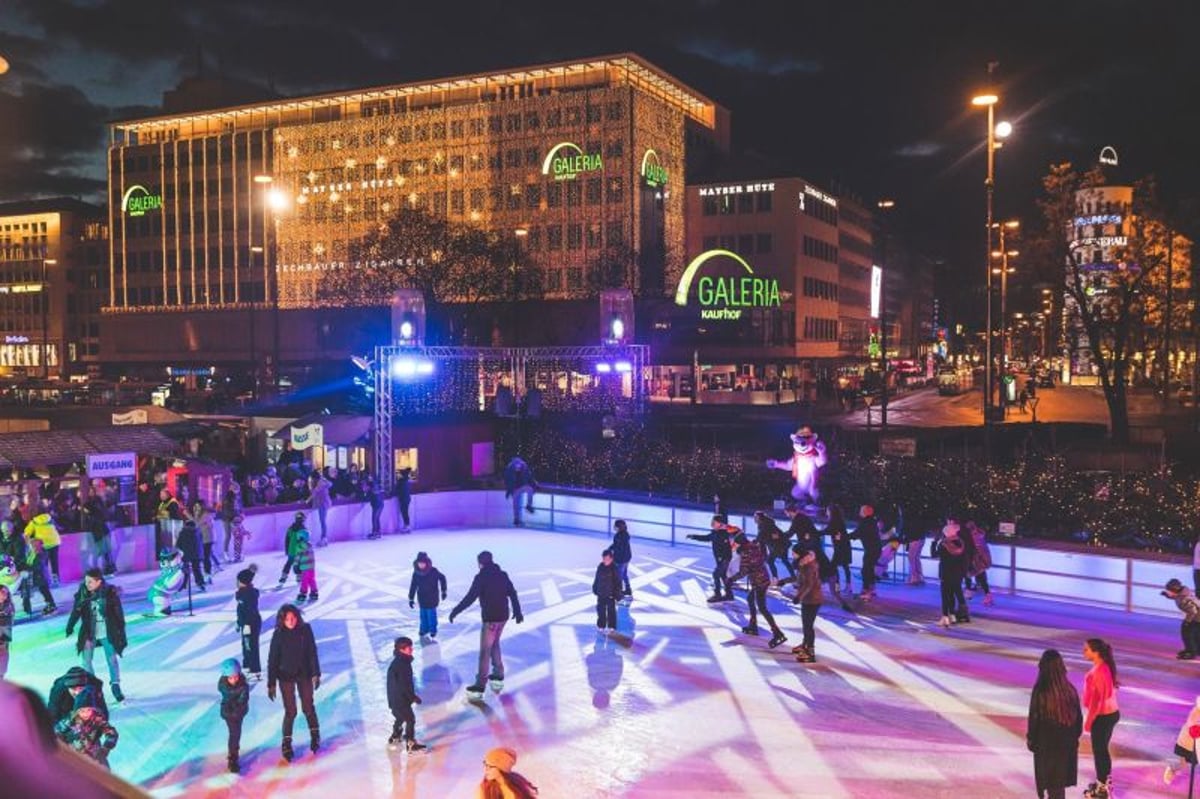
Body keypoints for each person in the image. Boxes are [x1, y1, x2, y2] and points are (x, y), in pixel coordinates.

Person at [448, 550, 524, 695]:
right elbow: (512, 593)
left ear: (480, 563)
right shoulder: (502, 574)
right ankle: (498, 673)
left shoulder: (481, 577)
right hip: (503, 616)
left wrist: (456, 611)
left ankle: (480, 684)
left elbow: (470, 597)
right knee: (494, 644)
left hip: (491, 618)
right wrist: (518, 611)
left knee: (485, 650)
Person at [267, 603, 321, 762]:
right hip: (285, 676)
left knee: (308, 707)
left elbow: (312, 652)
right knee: (290, 711)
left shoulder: (305, 630)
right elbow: (272, 659)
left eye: (293, 618)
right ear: (282, 620)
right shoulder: (278, 634)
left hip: (304, 674)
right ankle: (286, 743)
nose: (291, 621)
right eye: (287, 619)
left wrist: (316, 673)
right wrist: (271, 683)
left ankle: (315, 735)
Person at [1027, 649, 1083, 799]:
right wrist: (1073, 739)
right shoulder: (1070, 689)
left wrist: (1031, 739)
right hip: (1066, 744)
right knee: (1057, 786)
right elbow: (1078, 720)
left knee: (1053, 786)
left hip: (1047, 745)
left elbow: (1034, 717)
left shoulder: (1041, 691)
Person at [65, 568, 127, 703]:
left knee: (111, 659)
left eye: (90, 582)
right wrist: (70, 625)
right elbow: (76, 611)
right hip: (89, 631)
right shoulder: (82, 594)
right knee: (86, 660)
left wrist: (121, 632)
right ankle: (92, 685)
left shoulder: (110, 593)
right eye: (86, 581)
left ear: (99, 582)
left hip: (107, 631)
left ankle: (115, 684)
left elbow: (118, 614)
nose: (87, 584)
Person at [728, 533, 787, 649]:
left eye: (736, 543)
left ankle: (778, 633)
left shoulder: (746, 552)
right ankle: (753, 625)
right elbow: (761, 558)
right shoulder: (754, 546)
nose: (735, 545)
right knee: (750, 599)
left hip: (758, 582)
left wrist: (731, 579)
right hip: (763, 578)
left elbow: (743, 571)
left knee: (762, 608)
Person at [1082, 638, 1120, 798]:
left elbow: (1097, 700)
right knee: (1102, 750)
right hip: (1111, 714)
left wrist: (1089, 721)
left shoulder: (1098, 672)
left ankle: (1102, 789)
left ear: (1096, 652)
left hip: (1103, 717)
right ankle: (1102, 782)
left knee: (1100, 752)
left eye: (1086, 649)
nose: (1084, 652)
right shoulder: (1104, 666)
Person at [3, 521, 55, 617]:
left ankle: (51, 604)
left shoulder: (41, 554)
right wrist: (19, 565)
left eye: (33, 545)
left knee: (44, 590)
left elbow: (37, 565)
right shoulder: (32, 553)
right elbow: (27, 561)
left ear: (38, 546)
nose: (31, 547)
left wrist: (26, 568)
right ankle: (28, 607)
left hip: (41, 577)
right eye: (31, 545)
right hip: (34, 577)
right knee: (28, 590)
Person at [386, 636, 427, 753]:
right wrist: (413, 697)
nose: (411, 649)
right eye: (409, 647)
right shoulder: (403, 664)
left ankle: (395, 735)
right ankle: (411, 744)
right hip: (400, 699)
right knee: (410, 719)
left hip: (395, 699)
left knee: (400, 717)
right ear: (401, 649)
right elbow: (404, 685)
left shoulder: (399, 661)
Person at [687, 515, 735, 603]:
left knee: (716, 575)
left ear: (719, 523)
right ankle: (729, 594)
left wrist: (722, 558)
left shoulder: (723, 533)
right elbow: (706, 538)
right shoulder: (715, 533)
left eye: (714, 522)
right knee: (723, 575)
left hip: (724, 559)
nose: (712, 523)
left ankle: (717, 594)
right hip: (720, 559)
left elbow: (727, 548)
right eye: (712, 521)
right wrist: (693, 536)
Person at [788, 544, 823, 663]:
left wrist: (798, 597)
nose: (792, 555)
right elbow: (800, 580)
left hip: (812, 599)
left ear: (800, 554)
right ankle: (805, 645)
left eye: (794, 553)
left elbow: (809, 585)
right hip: (808, 598)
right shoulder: (804, 564)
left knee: (808, 626)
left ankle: (810, 652)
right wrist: (783, 581)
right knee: (806, 624)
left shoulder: (808, 567)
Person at [54, 705, 118, 770]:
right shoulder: (70, 720)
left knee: (103, 769)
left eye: (89, 710)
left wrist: (106, 747)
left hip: (93, 753)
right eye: (82, 711)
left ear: (93, 709)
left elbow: (112, 733)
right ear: (77, 711)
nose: (86, 714)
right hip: (74, 755)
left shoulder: (97, 719)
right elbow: (56, 732)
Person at [934, 519, 969, 627]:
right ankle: (952, 615)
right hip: (957, 574)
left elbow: (934, 555)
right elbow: (964, 560)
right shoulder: (961, 543)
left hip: (946, 573)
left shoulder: (944, 545)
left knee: (945, 595)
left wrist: (934, 542)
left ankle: (945, 617)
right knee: (952, 594)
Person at [218, 657, 251, 773]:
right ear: (226, 677)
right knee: (234, 734)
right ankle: (233, 758)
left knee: (236, 733)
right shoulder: (223, 685)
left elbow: (243, 700)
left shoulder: (243, 686)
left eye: (236, 676)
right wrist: (229, 710)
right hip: (228, 713)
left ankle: (233, 756)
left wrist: (237, 710)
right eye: (231, 678)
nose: (234, 680)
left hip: (239, 712)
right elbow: (225, 695)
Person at [408, 552, 447, 642]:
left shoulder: (433, 571)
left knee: (431, 615)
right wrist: (411, 598)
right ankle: (423, 629)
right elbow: (413, 585)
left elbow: (442, 578)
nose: (421, 565)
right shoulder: (416, 573)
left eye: (423, 563)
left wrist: (443, 591)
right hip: (422, 598)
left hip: (432, 598)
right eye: (419, 563)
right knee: (423, 616)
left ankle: (433, 630)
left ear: (426, 563)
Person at [1163, 696, 1200, 786]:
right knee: (1182, 762)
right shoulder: (1197, 711)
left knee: (1185, 761)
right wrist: (1193, 727)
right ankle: (1171, 769)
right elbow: (1192, 720)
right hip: (1189, 741)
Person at [1162, 578, 1200, 659]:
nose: (1170, 591)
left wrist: (1187, 622)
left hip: (1197, 617)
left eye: (1170, 589)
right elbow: (1177, 597)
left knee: (1187, 633)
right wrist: (1168, 596)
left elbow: (1193, 611)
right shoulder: (1183, 593)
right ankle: (1194, 650)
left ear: (1175, 588)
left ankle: (1191, 652)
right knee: (1194, 633)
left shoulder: (1184, 598)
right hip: (1196, 617)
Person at [237, 566, 263, 678]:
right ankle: (247, 665)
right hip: (246, 623)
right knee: (246, 645)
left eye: (239, 581)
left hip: (251, 624)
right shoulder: (243, 593)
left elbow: (249, 611)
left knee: (251, 646)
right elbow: (241, 611)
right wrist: (239, 623)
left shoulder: (248, 594)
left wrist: (246, 624)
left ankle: (254, 669)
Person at [25, 509, 61, 587]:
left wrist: (29, 544)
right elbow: (58, 528)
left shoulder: (33, 522)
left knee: (43, 564)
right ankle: (56, 581)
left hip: (43, 544)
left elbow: (26, 534)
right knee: (54, 562)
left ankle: (45, 581)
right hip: (55, 542)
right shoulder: (50, 519)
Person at [852, 505, 882, 600]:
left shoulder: (865, 522)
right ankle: (872, 590)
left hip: (871, 549)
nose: (859, 512)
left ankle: (866, 591)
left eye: (861, 510)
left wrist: (843, 537)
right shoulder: (872, 521)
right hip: (876, 549)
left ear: (865, 512)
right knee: (869, 569)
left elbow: (857, 534)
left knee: (866, 570)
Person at [763, 509, 796, 583]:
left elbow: (775, 539)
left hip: (779, 547)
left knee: (771, 561)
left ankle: (776, 578)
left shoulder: (770, 528)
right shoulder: (769, 527)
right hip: (780, 546)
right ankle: (792, 576)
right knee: (783, 560)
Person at [592, 548, 620, 635]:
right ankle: (601, 625)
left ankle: (612, 626)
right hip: (601, 593)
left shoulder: (614, 568)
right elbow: (597, 578)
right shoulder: (600, 566)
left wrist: (617, 594)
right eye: (604, 558)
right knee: (601, 610)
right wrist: (595, 587)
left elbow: (618, 582)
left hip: (610, 594)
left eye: (607, 559)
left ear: (611, 559)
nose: (605, 561)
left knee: (611, 610)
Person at [503, 457, 537, 526]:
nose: (518, 466)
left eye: (519, 465)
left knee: (529, 489)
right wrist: (508, 491)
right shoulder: (509, 470)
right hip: (514, 489)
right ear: (513, 465)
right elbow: (508, 481)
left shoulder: (525, 469)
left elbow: (530, 477)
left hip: (522, 487)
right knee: (515, 503)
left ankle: (529, 505)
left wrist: (535, 484)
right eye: (516, 465)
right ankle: (516, 519)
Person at [827, 504, 853, 595]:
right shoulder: (839, 521)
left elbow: (828, 531)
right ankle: (846, 587)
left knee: (833, 566)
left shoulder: (834, 521)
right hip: (843, 546)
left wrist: (816, 533)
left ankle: (837, 586)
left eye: (828, 511)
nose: (826, 513)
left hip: (840, 547)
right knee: (844, 566)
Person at [176, 519, 206, 593]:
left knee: (186, 570)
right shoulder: (198, 532)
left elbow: (178, 544)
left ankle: (184, 584)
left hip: (186, 554)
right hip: (197, 554)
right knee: (197, 569)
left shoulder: (183, 533)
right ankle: (201, 584)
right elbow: (201, 542)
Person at [278, 512, 305, 588]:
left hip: (291, 550)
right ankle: (299, 577)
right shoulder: (303, 529)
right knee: (298, 564)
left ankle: (284, 577)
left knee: (289, 563)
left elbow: (287, 540)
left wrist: (286, 549)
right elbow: (304, 541)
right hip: (299, 551)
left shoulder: (290, 528)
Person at [293, 523, 318, 603]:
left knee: (304, 580)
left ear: (301, 537)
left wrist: (295, 565)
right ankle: (314, 592)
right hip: (311, 567)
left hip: (304, 567)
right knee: (311, 579)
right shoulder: (309, 545)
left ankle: (303, 593)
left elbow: (298, 556)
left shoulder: (299, 546)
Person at [193, 502, 220, 579]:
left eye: (197, 508)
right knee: (206, 555)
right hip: (203, 539)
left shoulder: (206, 516)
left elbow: (206, 525)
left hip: (207, 539)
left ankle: (208, 573)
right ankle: (210, 571)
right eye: (195, 508)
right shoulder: (200, 516)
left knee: (206, 556)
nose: (196, 510)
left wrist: (203, 526)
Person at [307, 472, 332, 547]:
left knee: (322, 521)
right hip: (322, 503)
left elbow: (314, 493)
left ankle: (324, 538)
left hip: (323, 504)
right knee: (322, 521)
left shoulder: (321, 483)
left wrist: (307, 500)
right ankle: (324, 538)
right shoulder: (321, 482)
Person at [611, 519, 633, 600]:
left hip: (621, 559)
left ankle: (618, 592)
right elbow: (616, 545)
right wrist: (610, 548)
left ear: (619, 527)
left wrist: (614, 556)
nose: (614, 527)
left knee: (619, 576)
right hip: (626, 558)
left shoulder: (620, 536)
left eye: (615, 526)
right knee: (624, 574)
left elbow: (619, 548)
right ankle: (628, 589)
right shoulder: (623, 534)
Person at [219, 486, 241, 562]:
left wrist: (239, 514)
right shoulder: (229, 498)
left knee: (233, 536)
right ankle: (226, 553)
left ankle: (235, 554)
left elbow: (237, 508)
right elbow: (228, 510)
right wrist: (236, 516)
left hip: (230, 519)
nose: (237, 491)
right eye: (236, 489)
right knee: (229, 536)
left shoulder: (234, 498)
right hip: (228, 519)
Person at [905, 517, 928, 586]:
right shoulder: (920, 516)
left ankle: (914, 577)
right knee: (916, 557)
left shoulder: (910, 516)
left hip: (914, 537)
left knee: (911, 557)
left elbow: (907, 526)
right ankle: (920, 577)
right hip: (921, 537)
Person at [0, 583, 12, 678]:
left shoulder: (8, 606)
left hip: (4, 634)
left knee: (3, 654)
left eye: (6, 592)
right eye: (3, 592)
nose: (5, 594)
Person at [396, 468, 413, 533]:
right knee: (405, 512)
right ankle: (407, 525)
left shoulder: (401, 481)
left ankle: (407, 526)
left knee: (404, 512)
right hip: (407, 498)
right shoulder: (407, 480)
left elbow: (397, 489)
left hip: (403, 498)